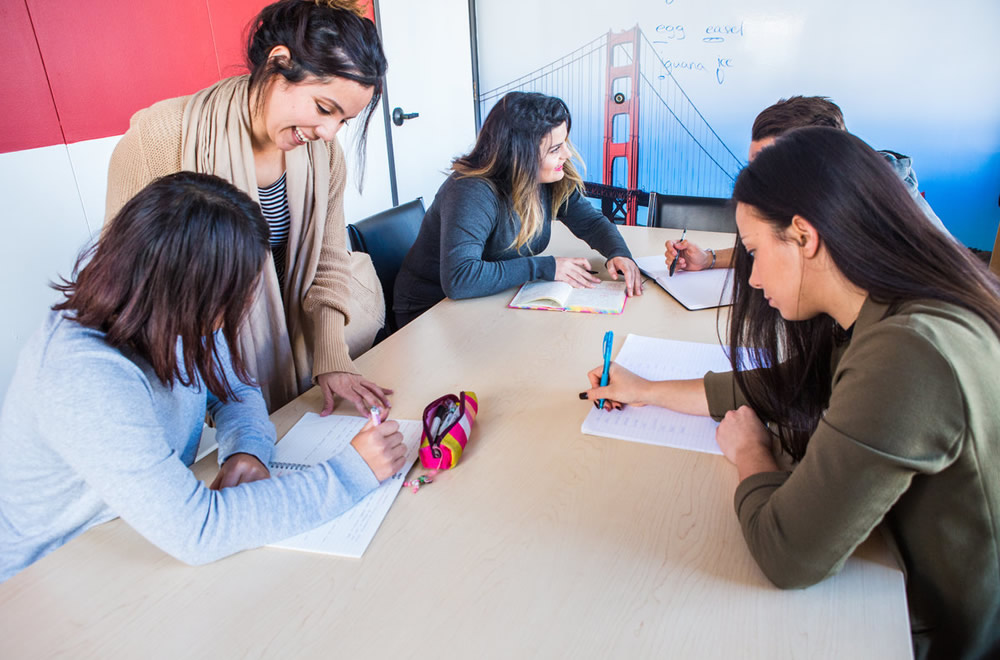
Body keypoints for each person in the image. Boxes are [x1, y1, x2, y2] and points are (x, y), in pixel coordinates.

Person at [583, 128, 1000, 659]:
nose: (751, 278)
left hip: (934, 633)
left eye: (754, 251)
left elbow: (788, 555)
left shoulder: (908, 354)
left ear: (804, 236)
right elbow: (788, 384)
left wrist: (750, 453)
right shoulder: (892, 304)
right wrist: (646, 390)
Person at [0, 173, 407, 583]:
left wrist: (246, 451)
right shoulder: (84, 374)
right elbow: (198, 532)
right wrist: (352, 472)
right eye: (237, 294)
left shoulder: (168, 310)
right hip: (45, 577)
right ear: (190, 289)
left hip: (132, 531)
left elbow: (235, 391)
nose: (245, 306)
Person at [105, 0, 390, 416]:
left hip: (298, 348)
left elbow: (328, 259)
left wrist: (332, 356)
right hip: (202, 365)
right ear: (278, 63)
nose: (328, 132)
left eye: (343, 120)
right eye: (324, 108)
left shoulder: (325, 156)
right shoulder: (164, 138)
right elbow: (124, 282)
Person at [393, 91, 643, 328]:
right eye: (555, 148)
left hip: (489, 301)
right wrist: (547, 267)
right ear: (519, 156)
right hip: (429, 312)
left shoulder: (547, 180)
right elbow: (460, 279)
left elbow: (591, 223)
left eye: (564, 142)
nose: (567, 154)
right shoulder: (471, 191)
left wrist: (618, 252)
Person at [665, 95, 956, 272]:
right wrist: (708, 259)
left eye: (769, 167)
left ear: (821, 160)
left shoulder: (874, 218)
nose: (757, 182)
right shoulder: (847, 183)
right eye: (755, 167)